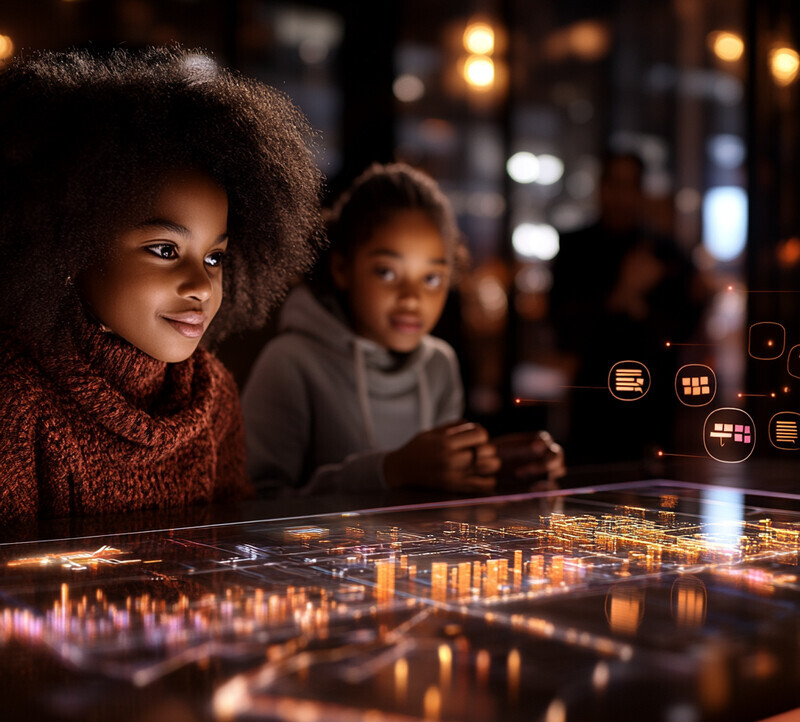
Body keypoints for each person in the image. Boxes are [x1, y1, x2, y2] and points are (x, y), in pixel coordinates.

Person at [0, 46, 323, 530]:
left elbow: (232, 551)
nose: (201, 285)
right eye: (165, 250)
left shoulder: (213, 395)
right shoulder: (17, 402)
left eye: (215, 257)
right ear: (70, 248)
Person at [242, 162, 563, 496]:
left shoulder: (439, 365)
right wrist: (390, 470)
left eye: (431, 278)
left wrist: (492, 467)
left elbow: (435, 492)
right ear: (341, 268)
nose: (412, 298)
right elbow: (255, 503)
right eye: (387, 272)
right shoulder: (289, 363)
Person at [549, 151, 708, 465]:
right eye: (615, 184)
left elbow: (685, 327)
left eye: (630, 185)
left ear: (640, 191)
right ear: (602, 188)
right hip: (593, 403)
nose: (622, 195)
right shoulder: (575, 249)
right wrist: (620, 295)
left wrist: (639, 309)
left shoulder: (666, 250)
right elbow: (561, 325)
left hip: (652, 405)